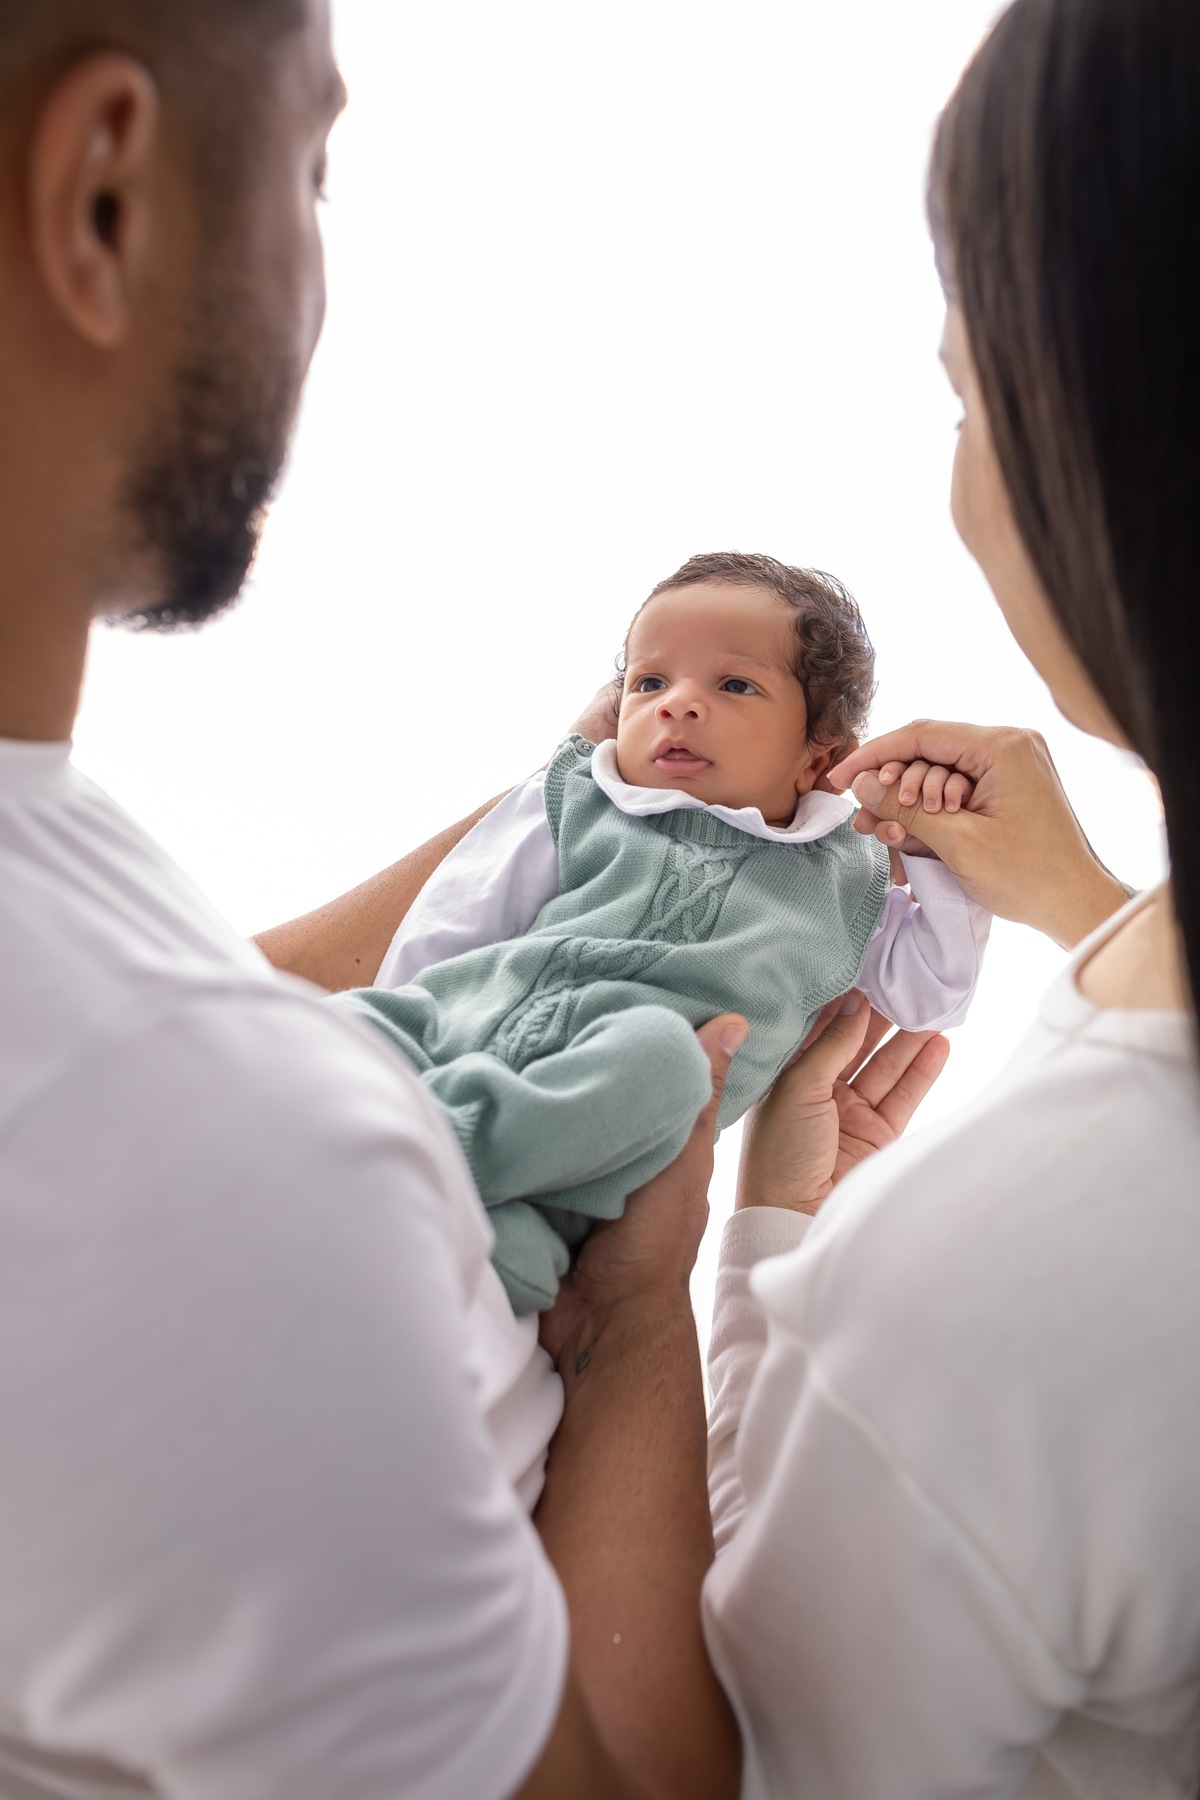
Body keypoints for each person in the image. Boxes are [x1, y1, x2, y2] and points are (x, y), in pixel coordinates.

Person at [0, 2, 830, 1794]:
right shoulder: (221, 1178)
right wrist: (640, 1307)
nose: (314, 263)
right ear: (102, 198)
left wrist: (592, 797)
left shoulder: (90, 964)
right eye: (311, 165)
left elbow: (187, 1014)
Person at [681, 1, 1200, 1795]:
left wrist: (716, 1259)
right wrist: (1096, 902)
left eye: (968, 383)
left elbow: (742, 1758)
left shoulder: (977, 1313)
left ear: (1105, 453)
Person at [339, 549, 989, 1319]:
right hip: (450, 1035)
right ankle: (408, 1154)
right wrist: (400, 1019)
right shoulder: (582, 791)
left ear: (821, 756)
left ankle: (441, 1186)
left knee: (664, 1062)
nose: (676, 704)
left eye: (734, 684)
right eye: (649, 682)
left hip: (588, 1135)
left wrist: (933, 848)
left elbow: (934, 993)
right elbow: (459, 912)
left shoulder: (847, 879)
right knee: (335, 1024)